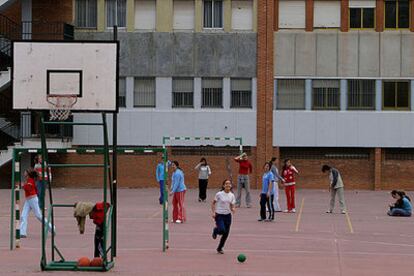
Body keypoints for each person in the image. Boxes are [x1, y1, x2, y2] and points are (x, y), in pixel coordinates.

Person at [20, 168, 54, 238]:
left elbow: (28, 188)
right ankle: (22, 232)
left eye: (25, 172)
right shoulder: (28, 180)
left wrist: (23, 185)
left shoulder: (31, 180)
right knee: (23, 215)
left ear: (28, 174)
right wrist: (23, 185)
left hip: (32, 199)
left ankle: (52, 227)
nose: (24, 173)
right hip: (28, 199)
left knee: (39, 216)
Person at [211, 179, 236, 254]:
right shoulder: (219, 194)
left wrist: (233, 209)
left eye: (229, 184)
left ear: (231, 186)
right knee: (222, 230)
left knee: (226, 234)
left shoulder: (232, 195)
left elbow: (232, 204)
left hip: (228, 216)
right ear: (223, 185)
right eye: (226, 184)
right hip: (219, 215)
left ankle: (220, 248)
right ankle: (216, 230)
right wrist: (213, 212)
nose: (228, 185)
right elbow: (213, 203)